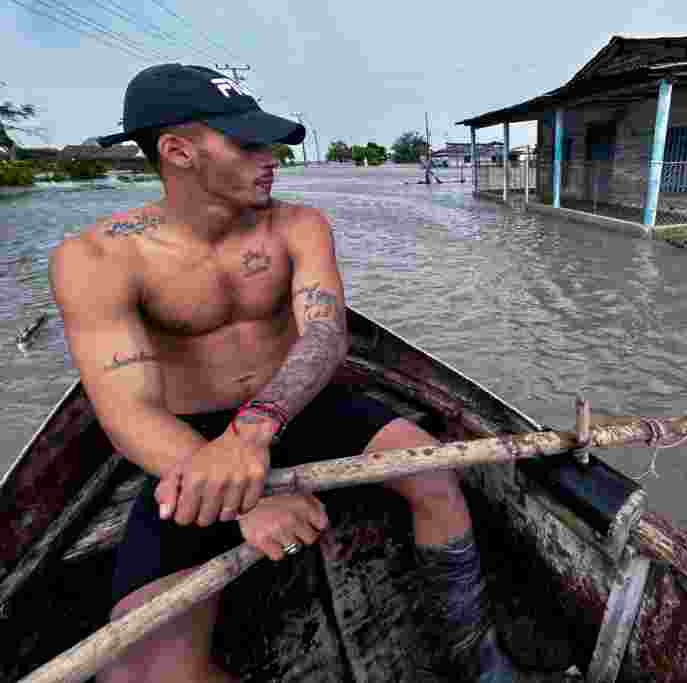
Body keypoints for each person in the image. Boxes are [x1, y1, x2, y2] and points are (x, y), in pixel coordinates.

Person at [49, 64, 519, 682]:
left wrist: (258, 427)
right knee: (145, 674)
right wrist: (244, 495)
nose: (271, 157)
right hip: (189, 444)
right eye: (247, 145)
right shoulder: (95, 258)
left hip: (299, 405)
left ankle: (475, 657)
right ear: (177, 152)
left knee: (433, 472)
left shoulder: (298, 225)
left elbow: (325, 334)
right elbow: (127, 410)